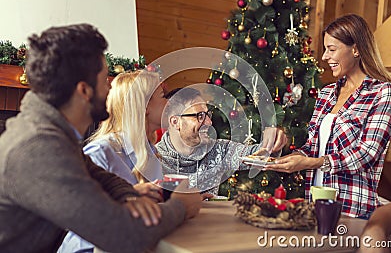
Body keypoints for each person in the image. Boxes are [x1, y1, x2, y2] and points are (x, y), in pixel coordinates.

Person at [0, 23, 202, 253]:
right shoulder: (37, 148)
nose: (109, 91)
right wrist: (181, 207)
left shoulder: (51, 132)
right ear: (84, 91)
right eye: (105, 80)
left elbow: (97, 175)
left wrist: (129, 194)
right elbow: (121, 235)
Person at [264, 14, 391, 219]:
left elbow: (366, 154)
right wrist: (294, 158)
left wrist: (310, 163)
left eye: (332, 49)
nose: (325, 57)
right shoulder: (327, 93)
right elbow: (313, 146)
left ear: (355, 49)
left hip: (352, 210)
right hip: (314, 206)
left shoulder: (383, 93)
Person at [59, 70, 168, 252]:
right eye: (164, 97)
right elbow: (75, 213)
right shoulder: (102, 152)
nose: (169, 103)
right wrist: (128, 195)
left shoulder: (153, 153)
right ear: (145, 106)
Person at [156, 87, 288, 195]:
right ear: (175, 122)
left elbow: (256, 154)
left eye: (208, 114)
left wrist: (273, 141)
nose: (209, 122)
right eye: (199, 116)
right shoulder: (153, 158)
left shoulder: (219, 149)